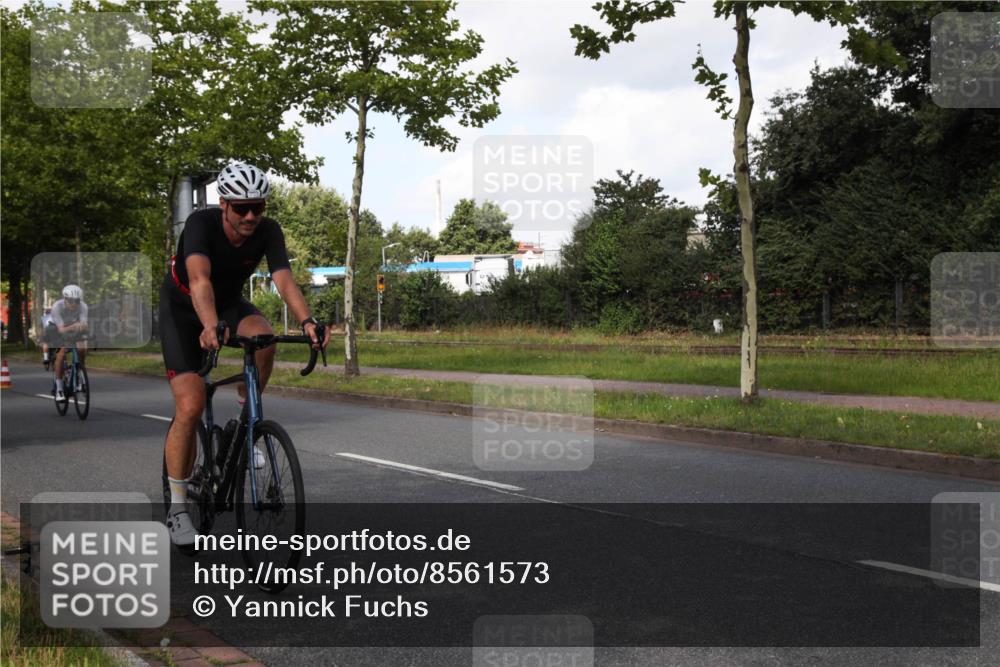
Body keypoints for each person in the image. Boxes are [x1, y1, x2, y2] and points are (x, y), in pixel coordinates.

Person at [159, 161, 330, 548]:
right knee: (190, 405)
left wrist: (308, 322)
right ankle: (178, 508)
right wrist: (208, 325)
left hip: (228, 305)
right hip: (183, 311)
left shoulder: (268, 230)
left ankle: (245, 423)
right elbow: (199, 280)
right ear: (224, 204)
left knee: (264, 338)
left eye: (258, 207)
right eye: (242, 208)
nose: (251, 216)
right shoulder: (200, 225)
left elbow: (283, 278)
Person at [49, 285, 89, 399]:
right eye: (71, 301)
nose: (74, 304)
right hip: (56, 329)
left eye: (77, 301)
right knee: (61, 354)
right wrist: (75, 326)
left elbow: (84, 324)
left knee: (82, 349)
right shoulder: (57, 307)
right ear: (65, 299)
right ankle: (59, 389)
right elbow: (61, 330)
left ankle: (79, 372)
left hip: (73, 328)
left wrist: (83, 326)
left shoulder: (83, 306)